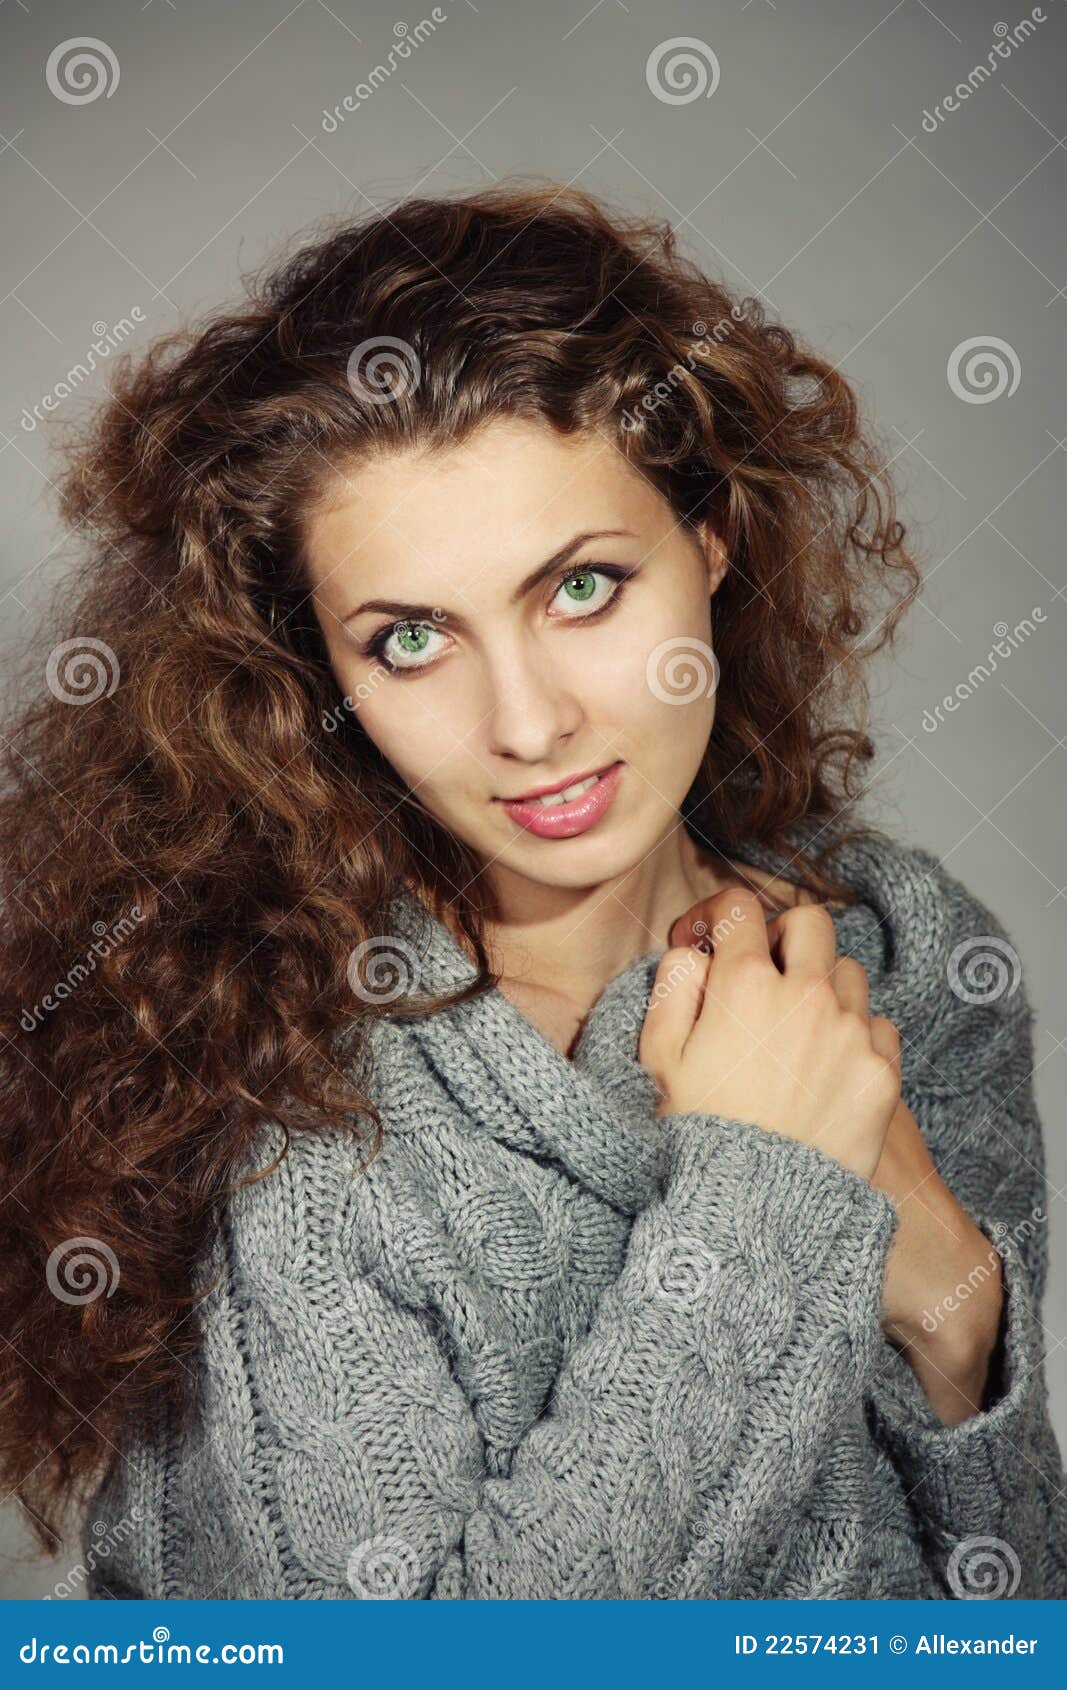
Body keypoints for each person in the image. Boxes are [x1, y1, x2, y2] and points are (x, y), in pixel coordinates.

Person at [0, 182, 1063, 1601]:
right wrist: (769, 1181)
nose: (529, 722)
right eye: (413, 638)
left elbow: (1014, 1608)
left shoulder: (912, 958)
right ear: (319, 672)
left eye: (581, 589)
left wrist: (957, 1301)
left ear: (711, 538)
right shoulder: (279, 1081)